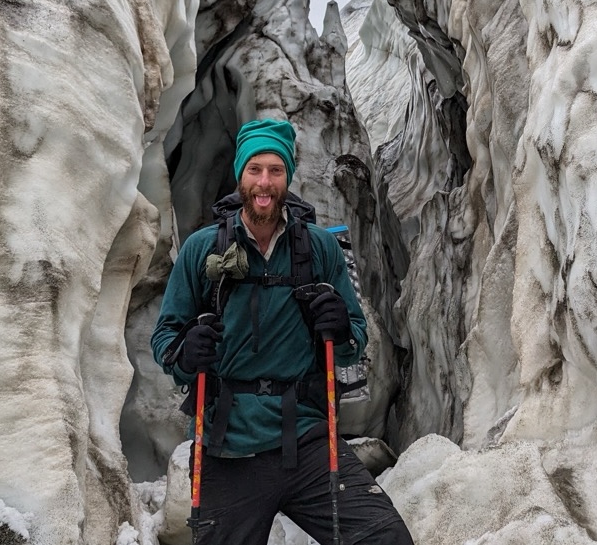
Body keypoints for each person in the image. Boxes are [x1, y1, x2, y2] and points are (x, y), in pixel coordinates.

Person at [151, 118, 414, 544]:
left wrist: (340, 326)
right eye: (255, 170)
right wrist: (185, 352)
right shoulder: (203, 249)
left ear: (287, 177)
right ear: (241, 176)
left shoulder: (318, 247)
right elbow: (165, 337)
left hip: (307, 440)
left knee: (385, 538)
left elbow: (352, 345)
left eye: (275, 171)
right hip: (228, 443)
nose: (264, 182)